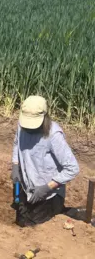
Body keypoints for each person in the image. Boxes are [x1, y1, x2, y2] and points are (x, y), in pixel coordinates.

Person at [11, 95, 79, 227]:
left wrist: (47, 187)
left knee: (31, 226)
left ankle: (66, 211)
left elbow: (73, 168)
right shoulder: (22, 125)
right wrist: (15, 165)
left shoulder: (53, 135)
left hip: (48, 195)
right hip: (26, 186)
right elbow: (16, 143)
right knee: (21, 219)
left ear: (44, 118)